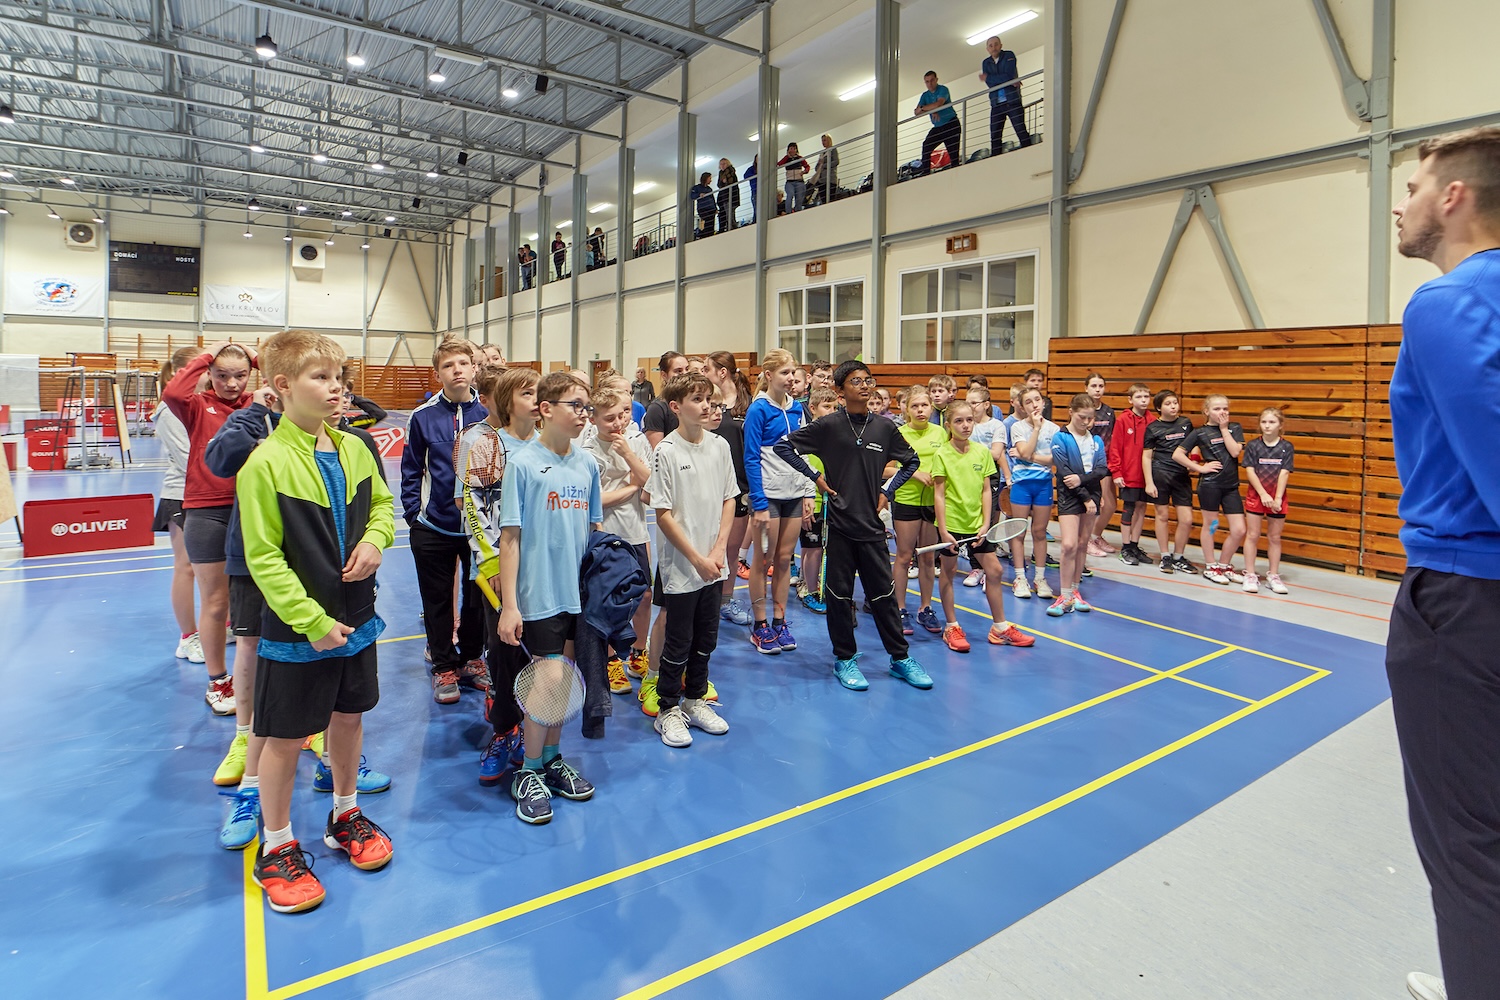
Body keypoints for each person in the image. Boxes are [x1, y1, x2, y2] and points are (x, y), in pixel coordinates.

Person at [1386, 125, 1500, 1000]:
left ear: (1454, 197)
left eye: (1415, 187)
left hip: (1465, 601)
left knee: (1469, 847)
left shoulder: (1447, 302)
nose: (1403, 205)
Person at [238, 329, 395, 914]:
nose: (336, 389)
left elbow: (383, 506)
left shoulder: (356, 449)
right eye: (320, 377)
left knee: (349, 718)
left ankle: (344, 813)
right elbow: (264, 559)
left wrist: (376, 541)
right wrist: (311, 621)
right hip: (299, 629)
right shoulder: (265, 464)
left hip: (358, 618)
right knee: (284, 737)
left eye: (339, 377)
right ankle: (276, 845)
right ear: (282, 386)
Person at [775, 361, 931, 692]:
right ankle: (844, 659)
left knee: (884, 596)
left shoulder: (884, 428)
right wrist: (816, 477)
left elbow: (911, 462)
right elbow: (783, 446)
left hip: (872, 528)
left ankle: (900, 658)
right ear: (840, 390)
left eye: (867, 380)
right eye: (856, 381)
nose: (864, 386)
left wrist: (888, 491)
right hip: (840, 527)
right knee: (839, 597)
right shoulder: (828, 426)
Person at [496, 372, 600, 825]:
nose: (583, 414)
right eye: (576, 405)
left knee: (566, 680)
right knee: (550, 679)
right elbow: (510, 538)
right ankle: (528, 770)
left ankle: (552, 760)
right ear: (546, 409)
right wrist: (510, 605)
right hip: (539, 593)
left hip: (579, 595)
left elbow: (594, 530)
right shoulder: (522, 465)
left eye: (587, 407)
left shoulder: (588, 465)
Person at [643, 373, 738, 747]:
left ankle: (695, 699)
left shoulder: (719, 446)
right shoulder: (666, 451)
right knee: (679, 639)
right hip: (683, 565)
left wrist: (717, 551)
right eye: (696, 399)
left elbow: (729, 498)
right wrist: (697, 557)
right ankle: (667, 708)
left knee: (706, 637)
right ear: (676, 407)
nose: (705, 405)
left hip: (713, 563)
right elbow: (663, 513)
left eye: (708, 399)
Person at [163, 340, 258, 716]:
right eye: (222, 375)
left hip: (253, 509)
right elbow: (173, 391)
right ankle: (218, 681)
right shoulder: (197, 406)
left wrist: (257, 357)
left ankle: (258, 675)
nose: (231, 384)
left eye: (240, 375)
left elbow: (287, 381)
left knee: (254, 600)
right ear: (209, 374)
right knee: (216, 602)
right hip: (207, 513)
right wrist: (208, 353)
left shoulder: (256, 404)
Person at [459, 365, 539, 788]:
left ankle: (535, 735)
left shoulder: (550, 446)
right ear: (508, 402)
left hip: (543, 572)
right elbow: (472, 510)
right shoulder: (487, 446)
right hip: (497, 571)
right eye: (528, 393)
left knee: (538, 656)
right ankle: (504, 731)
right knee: (504, 655)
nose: (537, 400)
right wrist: (490, 565)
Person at [401, 338, 489, 704]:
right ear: (438, 373)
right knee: (437, 601)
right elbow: (410, 469)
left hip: (478, 529)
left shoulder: (488, 414)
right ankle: (443, 666)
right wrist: (414, 515)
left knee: (477, 600)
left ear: (473, 368)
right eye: (448, 365)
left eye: (462, 363)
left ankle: (471, 659)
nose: (457, 370)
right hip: (433, 526)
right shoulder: (422, 417)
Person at [933, 400, 1034, 651]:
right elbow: (939, 494)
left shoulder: (981, 452)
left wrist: (985, 524)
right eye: (959, 421)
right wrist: (943, 529)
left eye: (969, 420)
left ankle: (1000, 627)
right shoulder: (942, 454)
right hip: (951, 523)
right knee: (948, 571)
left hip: (977, 524)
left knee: (995, 570)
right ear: (949, 425)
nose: (965, 425)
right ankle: (951, 626)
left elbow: (987, 490)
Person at [582, 385, 654, 695]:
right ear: (593, 419)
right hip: (606, 538)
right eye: (609, 418)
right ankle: (611, 661)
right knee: (608, 602)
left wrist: (627, 455)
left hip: (636, 532)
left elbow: (651, 483)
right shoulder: (587, 453)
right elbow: (595, 500)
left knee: (645, 596)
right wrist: (631, 488)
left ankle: (638, 653)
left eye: (621, 416)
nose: (617, 423)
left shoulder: (635, 442)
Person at [743, 348, 812, 655]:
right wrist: (758, 503)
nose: (791, 377)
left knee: (784, 559)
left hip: (794, 495)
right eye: (785, 372)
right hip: (768, 497)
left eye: (793, 372)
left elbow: (805, 451)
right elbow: (751, 458)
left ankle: (779, 621)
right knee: (763, 560)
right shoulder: (759, 409)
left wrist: (808, 491)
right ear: (769, 375)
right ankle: (760, 625)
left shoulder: (798, 409)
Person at [154, 347, 201, 665]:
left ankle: (226, 625)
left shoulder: (203, 404)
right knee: (186, 567)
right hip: (182, 495)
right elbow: (189, 459)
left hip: (209, 493)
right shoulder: (169, 410)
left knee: (220, 568)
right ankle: (188, 638)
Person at [889, 387, 948, 636]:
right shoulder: (899, 434)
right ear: (906, 410)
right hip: (906, 500)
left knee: (927, 558)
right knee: (904, 556)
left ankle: (926, 607)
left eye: (924, 405)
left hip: (932, 503)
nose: (920, 410)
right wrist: (913, 473)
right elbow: (885, 469)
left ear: (931, 408)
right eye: (915, 406)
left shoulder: (940, 433)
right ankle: (899, 609)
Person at [1172, 394, 1246, 585]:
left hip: (1230, 487)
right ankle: (1211, 566)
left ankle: (1224, 565)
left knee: (1239, 529)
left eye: (1225, 409)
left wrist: (1224, 429)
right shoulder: (1200, 433)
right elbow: (1178, 454)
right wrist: (1199, 468)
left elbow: (1235, 452)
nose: (1222, 412)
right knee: (1212, 526)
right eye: (1217, 409)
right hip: (1210, 486)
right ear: (1206, 411)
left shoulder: (1234, 428)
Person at [705, 351, 754, 627]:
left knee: (731, 549)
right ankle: (704, 601)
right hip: (708, 485)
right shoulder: (706, 403)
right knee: (706, 545)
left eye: (707, 368)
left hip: (739, 487)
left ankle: (725, 601)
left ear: (722, 372)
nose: (703, 373)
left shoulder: (748, 405)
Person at [1048, 394, 1107, 617]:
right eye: (1082, 417)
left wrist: (1082, 481)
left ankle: (1074, 591)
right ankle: (1064, 595)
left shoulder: (1096, 441)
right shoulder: (1060, 438)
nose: (1087, 422)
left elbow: (1101, 470)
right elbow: (1064, 472)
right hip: (1070, 496)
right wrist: (1084, 497)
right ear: (1071, 412)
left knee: (1082, 544)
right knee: (1069, 545)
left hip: (1092, 493)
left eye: (1091, 418)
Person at [1006, 387, 1058, 601]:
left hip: (1044, 484)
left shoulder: (1054, 429)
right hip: (1022, 484)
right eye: (1029, 402)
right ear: (1022, 406)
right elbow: (1025, 452)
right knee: (1019, 532)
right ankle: (1020, 578)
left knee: (1039, 531)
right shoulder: (1017, 427)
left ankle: (1040, 578)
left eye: (1037, 399)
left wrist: (1027, 456)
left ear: (1043, 402)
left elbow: (1053, 460)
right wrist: (1035, 429)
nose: (1034, 404)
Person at [1141, 390, 1197, 574]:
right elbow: (1146, 456)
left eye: (1175, 402)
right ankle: (1165, 555)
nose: (1173, 406)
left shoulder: (1185, 423)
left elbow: (1194, 444)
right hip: (1161, 474)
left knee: (1187, 519)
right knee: (1162, 516)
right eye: (1168, 404)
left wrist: (1194, 460)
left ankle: (1178, 556)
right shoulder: (1153, 428)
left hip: (1181, 476)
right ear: (1159, 408)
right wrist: (1149, 482)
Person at [1239, 407, 1293, 596]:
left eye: (1272, 422)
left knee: (1274, 537)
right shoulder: (1253, 446)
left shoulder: (1286, 447)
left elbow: (1284, 473)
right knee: (1252, 535)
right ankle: (1250, 574)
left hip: (1278, 498)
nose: (1267, 426)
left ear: (1280, 425)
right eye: (1264, 422)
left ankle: (1273, 575)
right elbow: (1250, 470)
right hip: (1257, 496)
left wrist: (1277, 498)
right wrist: (1262, 494)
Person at [796, 387, 839, 614]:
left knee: (815, 548)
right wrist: (807, 499)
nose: (832, 411)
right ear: (812, 408)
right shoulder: (806, 437)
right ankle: (811, 591)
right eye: (826, 406)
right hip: (812, 501)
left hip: (830, 501)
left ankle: (807, 582)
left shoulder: (834, 436)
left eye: (835, 407)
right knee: (812, 548)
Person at [1106, 381, 1154, 565]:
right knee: (1129, 509)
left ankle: (1134, 545)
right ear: (1130, 399)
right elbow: (1115, 447)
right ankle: (1125, 547)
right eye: (1139, 397)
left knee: (1142, 508)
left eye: (1146, 396)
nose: (1143, 400)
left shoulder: (1152, 421)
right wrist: (1116, 472)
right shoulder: (1123, 420)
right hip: (1128, 474)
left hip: (1145, 475)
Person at [1082, 374, 1118, 558]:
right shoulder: (1082, 410)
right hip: (1088, 464)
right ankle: (1086, 539)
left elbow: (1113, 437)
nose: (1097, 389)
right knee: (1094, 504)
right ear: (1086, 388)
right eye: (1094, 386)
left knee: (1110, 504)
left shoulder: (1109, 412)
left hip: (1106, 463)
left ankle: (1095, 535)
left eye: (1101, 386)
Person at [978, 35, 1032, 154]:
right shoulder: (986, 62)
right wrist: (1007, 80)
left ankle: (1030, 154)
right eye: (991, 46)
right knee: (995, 136)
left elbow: (1008, 75)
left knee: (1020, 130)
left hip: (1012, 100)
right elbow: (990, 83)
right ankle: (995, 162)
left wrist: (990, 77)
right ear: (987, 49)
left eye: (996, 44)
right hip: (996, 104)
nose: (994, 47)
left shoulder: (1009, 55)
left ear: (1001, 45)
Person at [913, 70, 961, 176]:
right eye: (927, 82)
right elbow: (916, 112)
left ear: (936, 80)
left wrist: (925, 108)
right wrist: (931, 109)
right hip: (938, 127)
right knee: (926, 146)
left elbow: (939, 104)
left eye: (932, 80)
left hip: (951, 124)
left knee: (953, 155)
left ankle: (956, 175)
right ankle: (926, 172)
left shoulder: (943, 89)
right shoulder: (925, 95)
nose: (930, 84)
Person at [643, 351, 688, 448]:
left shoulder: (693, 403)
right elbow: (657, 451)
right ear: (664, 375)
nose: (685, 374)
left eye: (687, 369)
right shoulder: (657, 409)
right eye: (678, 371)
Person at [778, 143, 809, 213]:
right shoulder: (786, 159)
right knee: (790, 194)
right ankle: (788, 212)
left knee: (799, 198)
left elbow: (807, 166)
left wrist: (804, 172)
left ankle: (797, 211)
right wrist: (787, 157)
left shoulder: (800, 158)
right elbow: (779, 164)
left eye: (794, 149)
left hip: (799, 181)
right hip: (790, 182)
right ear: (788, 150)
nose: (792, 150)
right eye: (791, 148)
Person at [809, 134, 839, 206]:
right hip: (821, 180)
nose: (823, 142)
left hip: (830, 179)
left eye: (825, 140)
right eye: (822, 141)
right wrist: (820, 165)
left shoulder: (833, 150)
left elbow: (836, 162)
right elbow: (816, 168)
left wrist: (824, 165)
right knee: (823, 201)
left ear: (829, 140)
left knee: (831, 200)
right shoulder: (822, 153)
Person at [689, 172, 717, 237]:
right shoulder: (697, 187)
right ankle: (704, 234)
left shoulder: (709, 189)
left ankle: (709, 234)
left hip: (711, 208)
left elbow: (712, 199)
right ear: (706, 178)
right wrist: (699, 194)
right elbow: (692, 196)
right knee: (708, 220)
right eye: (710, 178)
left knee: (711, 223)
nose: (711, 180)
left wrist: (715, 208)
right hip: (703, 208)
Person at [716, 158, 740, 233]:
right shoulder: (721, 173)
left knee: (730, 214)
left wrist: (725, 182)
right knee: (728, 214)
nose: (722, 165)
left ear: (728, 164)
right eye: (721, 164)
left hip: (731, 196)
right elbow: (719, 185)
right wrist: (723, 182)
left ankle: (733, 228)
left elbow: (732, 183)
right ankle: (732, 227)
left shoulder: (731, 171)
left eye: (724, 164)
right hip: (725, 197)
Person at [745, 154, 759, 223]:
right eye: (757, 158)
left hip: (764, 190)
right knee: (756, 207)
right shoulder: (752, 168)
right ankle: (755, 221)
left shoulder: (765, 167)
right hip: (755, 190)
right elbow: (745, 176)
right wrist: (756, 175)